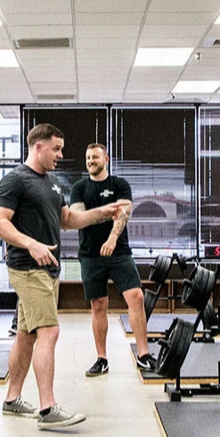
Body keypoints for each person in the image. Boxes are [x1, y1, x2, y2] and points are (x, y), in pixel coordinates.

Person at [0, 123, 128, 430]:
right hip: (28, 267)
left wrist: (103, 212)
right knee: (49, 332)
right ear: (38, 147)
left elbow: (67, 219)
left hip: (47, 269)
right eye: (56, 148)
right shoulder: (15, 180)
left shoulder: (52, 183)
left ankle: (12, 400)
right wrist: (31, 243)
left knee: (27, 336)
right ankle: (47, 407)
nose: (61, 155)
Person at [69, 142, 153, 376]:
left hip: (119, 252)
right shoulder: (79, 188)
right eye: (87, 157)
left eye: (95, 157)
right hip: (90, 255)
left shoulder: (120, 184)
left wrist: (112, 237)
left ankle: (144, 355)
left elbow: (124, 214)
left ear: (106, 159)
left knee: (136, 297)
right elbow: (79, 218)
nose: (90, 161)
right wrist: (106, 213)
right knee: (99, 305)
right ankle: (102, 359)